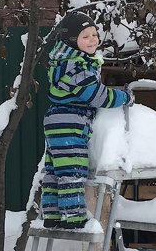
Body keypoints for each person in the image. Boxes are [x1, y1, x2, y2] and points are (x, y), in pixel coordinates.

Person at [41, 12, 133, 230]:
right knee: (73, 169)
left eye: (94, 34)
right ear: (72, 41)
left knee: (55, 170)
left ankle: (52, 214)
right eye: (85, 36)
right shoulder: (76, 67)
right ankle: (73, 217)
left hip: (56, 119)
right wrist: (125, 96)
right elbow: (98, 97)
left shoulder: (63, 62)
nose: (93, 40)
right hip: (70, 121)